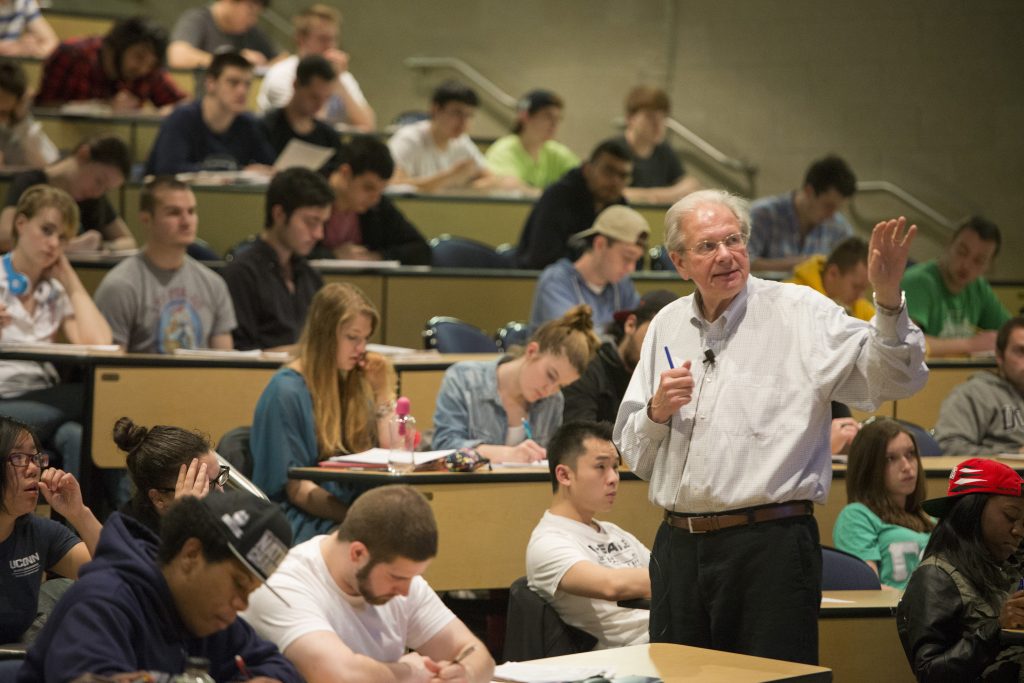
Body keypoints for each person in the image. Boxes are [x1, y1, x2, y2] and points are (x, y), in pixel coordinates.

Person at [614, 189, 928, 664]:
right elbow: (634, 455)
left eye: (733, 240)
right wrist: (656, 412)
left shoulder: (801, 312)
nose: (725, 255)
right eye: (707, 246)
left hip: (769, 548)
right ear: (679, 263)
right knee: (679, 677)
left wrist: (886, 300)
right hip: (678, 548)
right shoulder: (666, 325)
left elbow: (894, 377)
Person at [18, 491, 301, 681]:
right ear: (191, 554)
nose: (242, 604)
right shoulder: (102, 603)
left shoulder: (205, 615)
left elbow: (279, 666)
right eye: (238, 584)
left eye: (250, 591)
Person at [242, 484, 495, 683]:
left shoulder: (403, 581)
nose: (406, 591)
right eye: (397, 578)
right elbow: (338, 676)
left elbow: (475, 651)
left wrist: (466, 673)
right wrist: (409, 673)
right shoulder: (284, 583)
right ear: (358, 553)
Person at [251, 282, 396, 543]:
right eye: (352, 337)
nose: (361, 349)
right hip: (301, 517)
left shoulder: (349, 384)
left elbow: (394, 454)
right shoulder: (286, 392)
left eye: (365, 339)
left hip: (348, 512)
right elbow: (296, 490)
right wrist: (356, 518)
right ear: (326, 334)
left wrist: (382, 392)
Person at [0, 185, 113, 480]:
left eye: (62, 238)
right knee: (95, 399)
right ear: (21, 224)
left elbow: (99, 343)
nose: (53, 243)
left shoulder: (54, 291)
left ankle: (75, 525)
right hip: (5, 397)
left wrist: (69, 277)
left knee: (78, 435)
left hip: (44, 399)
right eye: (47, 230)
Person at [897, 458, 1024, 681]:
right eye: (1010, 517)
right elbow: (929, 672)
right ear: (972, 511)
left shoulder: (1009, 568)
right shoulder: (935, 577)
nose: (1018, 531)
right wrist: (996, 631)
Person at [527, 421, 651, 650]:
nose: (614, 478)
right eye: (601, 467)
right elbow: (611, 586)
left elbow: (662, 569)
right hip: (628, 657)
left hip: (667, 638)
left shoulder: (614, 531)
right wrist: (683, 579)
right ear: (564, 475)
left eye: (615, 467)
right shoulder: (548, 542)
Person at [432, 305, 600, 463]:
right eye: (550, 375)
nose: (550, 390)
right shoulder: (464, 378)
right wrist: (508, 454)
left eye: (561, 386)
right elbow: (444, 446)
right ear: (532, 351)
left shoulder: (554, 400)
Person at [94, 177, 236, 353]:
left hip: (201, 380)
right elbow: (109, 367)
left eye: (191, 212)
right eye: (174, 213)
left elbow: (225, 363)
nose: (186, 221)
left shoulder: (214, 284)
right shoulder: (120, 286)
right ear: (146, 219)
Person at [0, 416, 101, 645]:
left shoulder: (36, 531)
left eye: (35, 458)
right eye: (18, 458)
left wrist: (78, 513)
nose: (34, 468)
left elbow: (115, 568)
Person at [223, 166, 333, 351]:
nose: (319, 234)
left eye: (323, 223)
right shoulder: (241, 274)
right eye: (311, 222)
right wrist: (303, 355)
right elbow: (240, 355)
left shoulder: (310, 276)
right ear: (279, 214)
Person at [832, 418, 933, 590]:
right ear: (869, 467)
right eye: (890, 459)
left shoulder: (930, 518)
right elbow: (868, 589)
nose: (907, 466)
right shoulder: (857, 516)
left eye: (910, 454)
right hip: (895, 614)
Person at [145, 50, 276, 175]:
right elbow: (168, 169)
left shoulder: (249, 124)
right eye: (233, 82)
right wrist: (238, 172)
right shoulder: (182, 119)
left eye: (247, 84)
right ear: (210, 83)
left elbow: (270, 167)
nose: (242, 91)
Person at [0, 136, 135, 253]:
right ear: (83, 154)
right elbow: (4, 237)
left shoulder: (94, 198)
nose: (98, 192)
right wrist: (70, 246)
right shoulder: (30, 183)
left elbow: (129, 242)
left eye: (106, 189)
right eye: (99, 181)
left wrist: (102, 246)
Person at [513, 138, 632, 270]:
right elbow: (542, 258)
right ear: (587, 169)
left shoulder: (621, 207)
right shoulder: (558, 197)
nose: (615, 181)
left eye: (623, 176)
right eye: (608, 171)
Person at [901, 215, 1011, 357]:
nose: (966, 265)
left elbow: (1012, 332)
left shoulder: (978, 287)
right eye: (962, 252)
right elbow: (907, 344)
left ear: (989, 266)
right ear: (949, 244)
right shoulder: (918, 281)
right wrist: (971, 345)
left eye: (979, 261)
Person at [562, 290, 675, 425]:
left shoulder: (662, 382)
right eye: (657, 334)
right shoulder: (587, 367)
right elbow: (578, 437)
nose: (661, 348)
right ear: (631, 324)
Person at [257, 4, 375, 131]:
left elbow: (368, 125)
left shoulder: (342, 76)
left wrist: (337, 80)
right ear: (301, 39)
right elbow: (306, 126)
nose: (330, 46)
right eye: (323, 39)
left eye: (334, 39)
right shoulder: (281, 74)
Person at [528, 205, 646, 331]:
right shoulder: (555, 283)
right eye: (627, 257)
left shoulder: (622, 285)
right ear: (600, 244)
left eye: (636, 260)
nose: (631, 268)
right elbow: (575, 341)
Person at [316, 137, 431, 265]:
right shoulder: (308, 194)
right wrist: (332, 255)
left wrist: (376, 257)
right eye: (368, 187)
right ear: (345, 173)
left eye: (381, 191)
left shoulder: (377, 206)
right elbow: (292, 247)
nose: (375, 199)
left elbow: (421, 249)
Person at [36, 16, 186, 112]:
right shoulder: (72, 56)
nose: (143, 69)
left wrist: (157, 114)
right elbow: (42, 109)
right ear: (115, 48)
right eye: (138, 57)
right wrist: (103, 108)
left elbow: (184, 105)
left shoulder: (149, 71)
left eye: (151, 64)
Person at [113, 416, 227, 535]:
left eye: (220, 476)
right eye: (204, 486)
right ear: (158, 499)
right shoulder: (131, 543)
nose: (222, 493)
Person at [388, 80, 507, 192]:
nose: (463, 122)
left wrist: (464, 188)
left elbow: (492, 179)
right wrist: (449, 177)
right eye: (457, 113)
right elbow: (392, 186)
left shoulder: (462, 142)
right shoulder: (408, 139)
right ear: (435, 110)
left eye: (469, 115)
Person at [747, 154, 857, 272]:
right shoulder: (763, 215)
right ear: (809, 191)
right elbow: (744, 264)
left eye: (837, 209)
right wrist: (800, 265)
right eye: (828, 206)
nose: (832, 215)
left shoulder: (839, 227)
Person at [934, 316, 1024, 455]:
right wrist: (1013, 454)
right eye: (1020, 351)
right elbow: (948, 447)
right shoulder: (974, 394)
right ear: (1000, 356)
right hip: (997, 474)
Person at [617, 86, 700, 205]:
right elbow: (613, 193)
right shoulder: (613, 149)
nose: (658, 124)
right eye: (650, 117)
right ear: (630, 118)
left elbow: (691, 185)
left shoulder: (664, 150)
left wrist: (650, 196)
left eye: (663, 117)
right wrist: (669, 194)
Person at [484, 89, 579, 190]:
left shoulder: (556, 151)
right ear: (525, 117)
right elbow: (508, 186)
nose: (554, 124)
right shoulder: (504, 149)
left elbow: (583, 179)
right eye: (548, 116)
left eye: (558, 118)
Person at [260, 54, 343, 161]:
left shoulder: (329, 138)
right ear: (296, 85)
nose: (320, 104)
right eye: (314, 97)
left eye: (326, 98)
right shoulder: (266, 128)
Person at [168, 0, 279, 69]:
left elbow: (278, 60)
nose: (253, 20)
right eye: (250, 12)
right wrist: (234, 62)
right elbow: (177, 57)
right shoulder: (197, 20)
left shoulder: (252, 32)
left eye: (257, 15)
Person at [786, 236, 874, 321]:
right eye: (856, 287)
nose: (861, 297)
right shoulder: (791, 298)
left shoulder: (861, 309)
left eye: (864, 289)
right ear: (833, 273)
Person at [0, 59, 58, 168]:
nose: (1, 119)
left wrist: (21, 121)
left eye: (4, 113)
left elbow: (48, 164)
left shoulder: (18, 127)